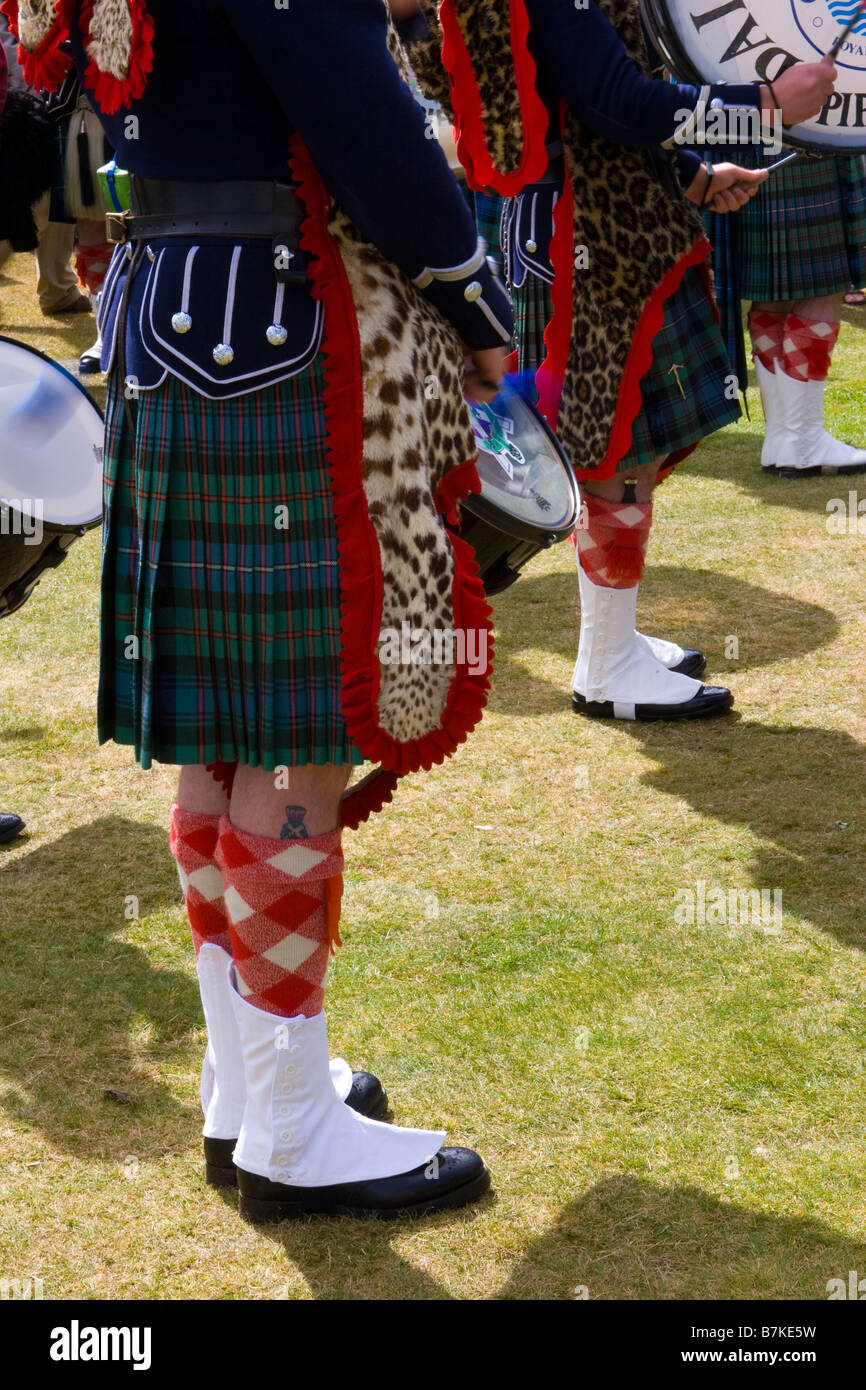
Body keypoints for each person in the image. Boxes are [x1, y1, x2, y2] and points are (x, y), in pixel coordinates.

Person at [2, 0, 512, 1221]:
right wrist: (473, 296)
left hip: (174, 312)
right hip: (279, 328)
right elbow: (366, 127)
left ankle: (246, 1080)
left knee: (223, 734)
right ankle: (290, 1128)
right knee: (293, 732)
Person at [404, 0, 837, 721]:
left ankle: (615, 638)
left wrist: (692, 174)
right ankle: (605, 663)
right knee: (613, 452)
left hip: (599, 217)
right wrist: (763, 106)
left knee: (626, 445)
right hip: (592, 237)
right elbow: (616, 101)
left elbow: (579, 98)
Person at [706, 149, 866, 478]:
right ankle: (803, 443)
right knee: (823, 283)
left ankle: (781, 439)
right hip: (807, 140)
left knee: (771, 293)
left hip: (744, 139)